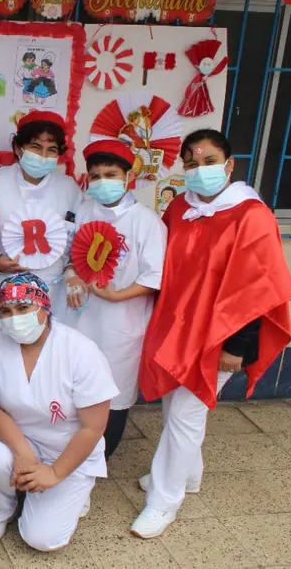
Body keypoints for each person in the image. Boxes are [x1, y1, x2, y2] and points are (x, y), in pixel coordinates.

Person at [131, 129, 291, 539]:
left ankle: (163, 501)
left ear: (229, 165)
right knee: (178, 406)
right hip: (176, 326)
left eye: (208, 163)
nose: (199, 171)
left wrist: (236, 346)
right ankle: (188, 475)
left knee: (187, 411)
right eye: (191, 164)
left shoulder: (251, 215)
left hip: (219, 335)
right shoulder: (179, 210)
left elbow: (258, 289)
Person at [0, 273, 117, 552]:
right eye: (6, 310)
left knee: (42, 539)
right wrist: (21, 452)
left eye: (23, 308)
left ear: (44, 307)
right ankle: (2, 507)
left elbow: (93, 427)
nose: (13, 317)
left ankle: (71, 487)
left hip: (66, 449)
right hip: (16, 438)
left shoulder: (80, 350)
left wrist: (54, 473)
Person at [65, 140, 166, 459]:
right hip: (78, 316)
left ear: (128, 177)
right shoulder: (82, 210)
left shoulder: (146, 221)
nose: (102, 182)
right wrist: (72, 275)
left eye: (110, 174)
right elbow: (69, 254)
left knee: (113, 394)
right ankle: (70, 459)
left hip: (121, 322)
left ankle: (97, 466)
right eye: (95, 175)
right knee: (74, 387)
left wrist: (117, 294)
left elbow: (155, 276)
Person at [0, 111, 82, 340]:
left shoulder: (69, 189)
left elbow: (78, 243)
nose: (43, 156)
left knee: (47, 359)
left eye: (51, 149)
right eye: (35, 147)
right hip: (2, 286)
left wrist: (71, 272)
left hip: (52, 289)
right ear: (18, 148)